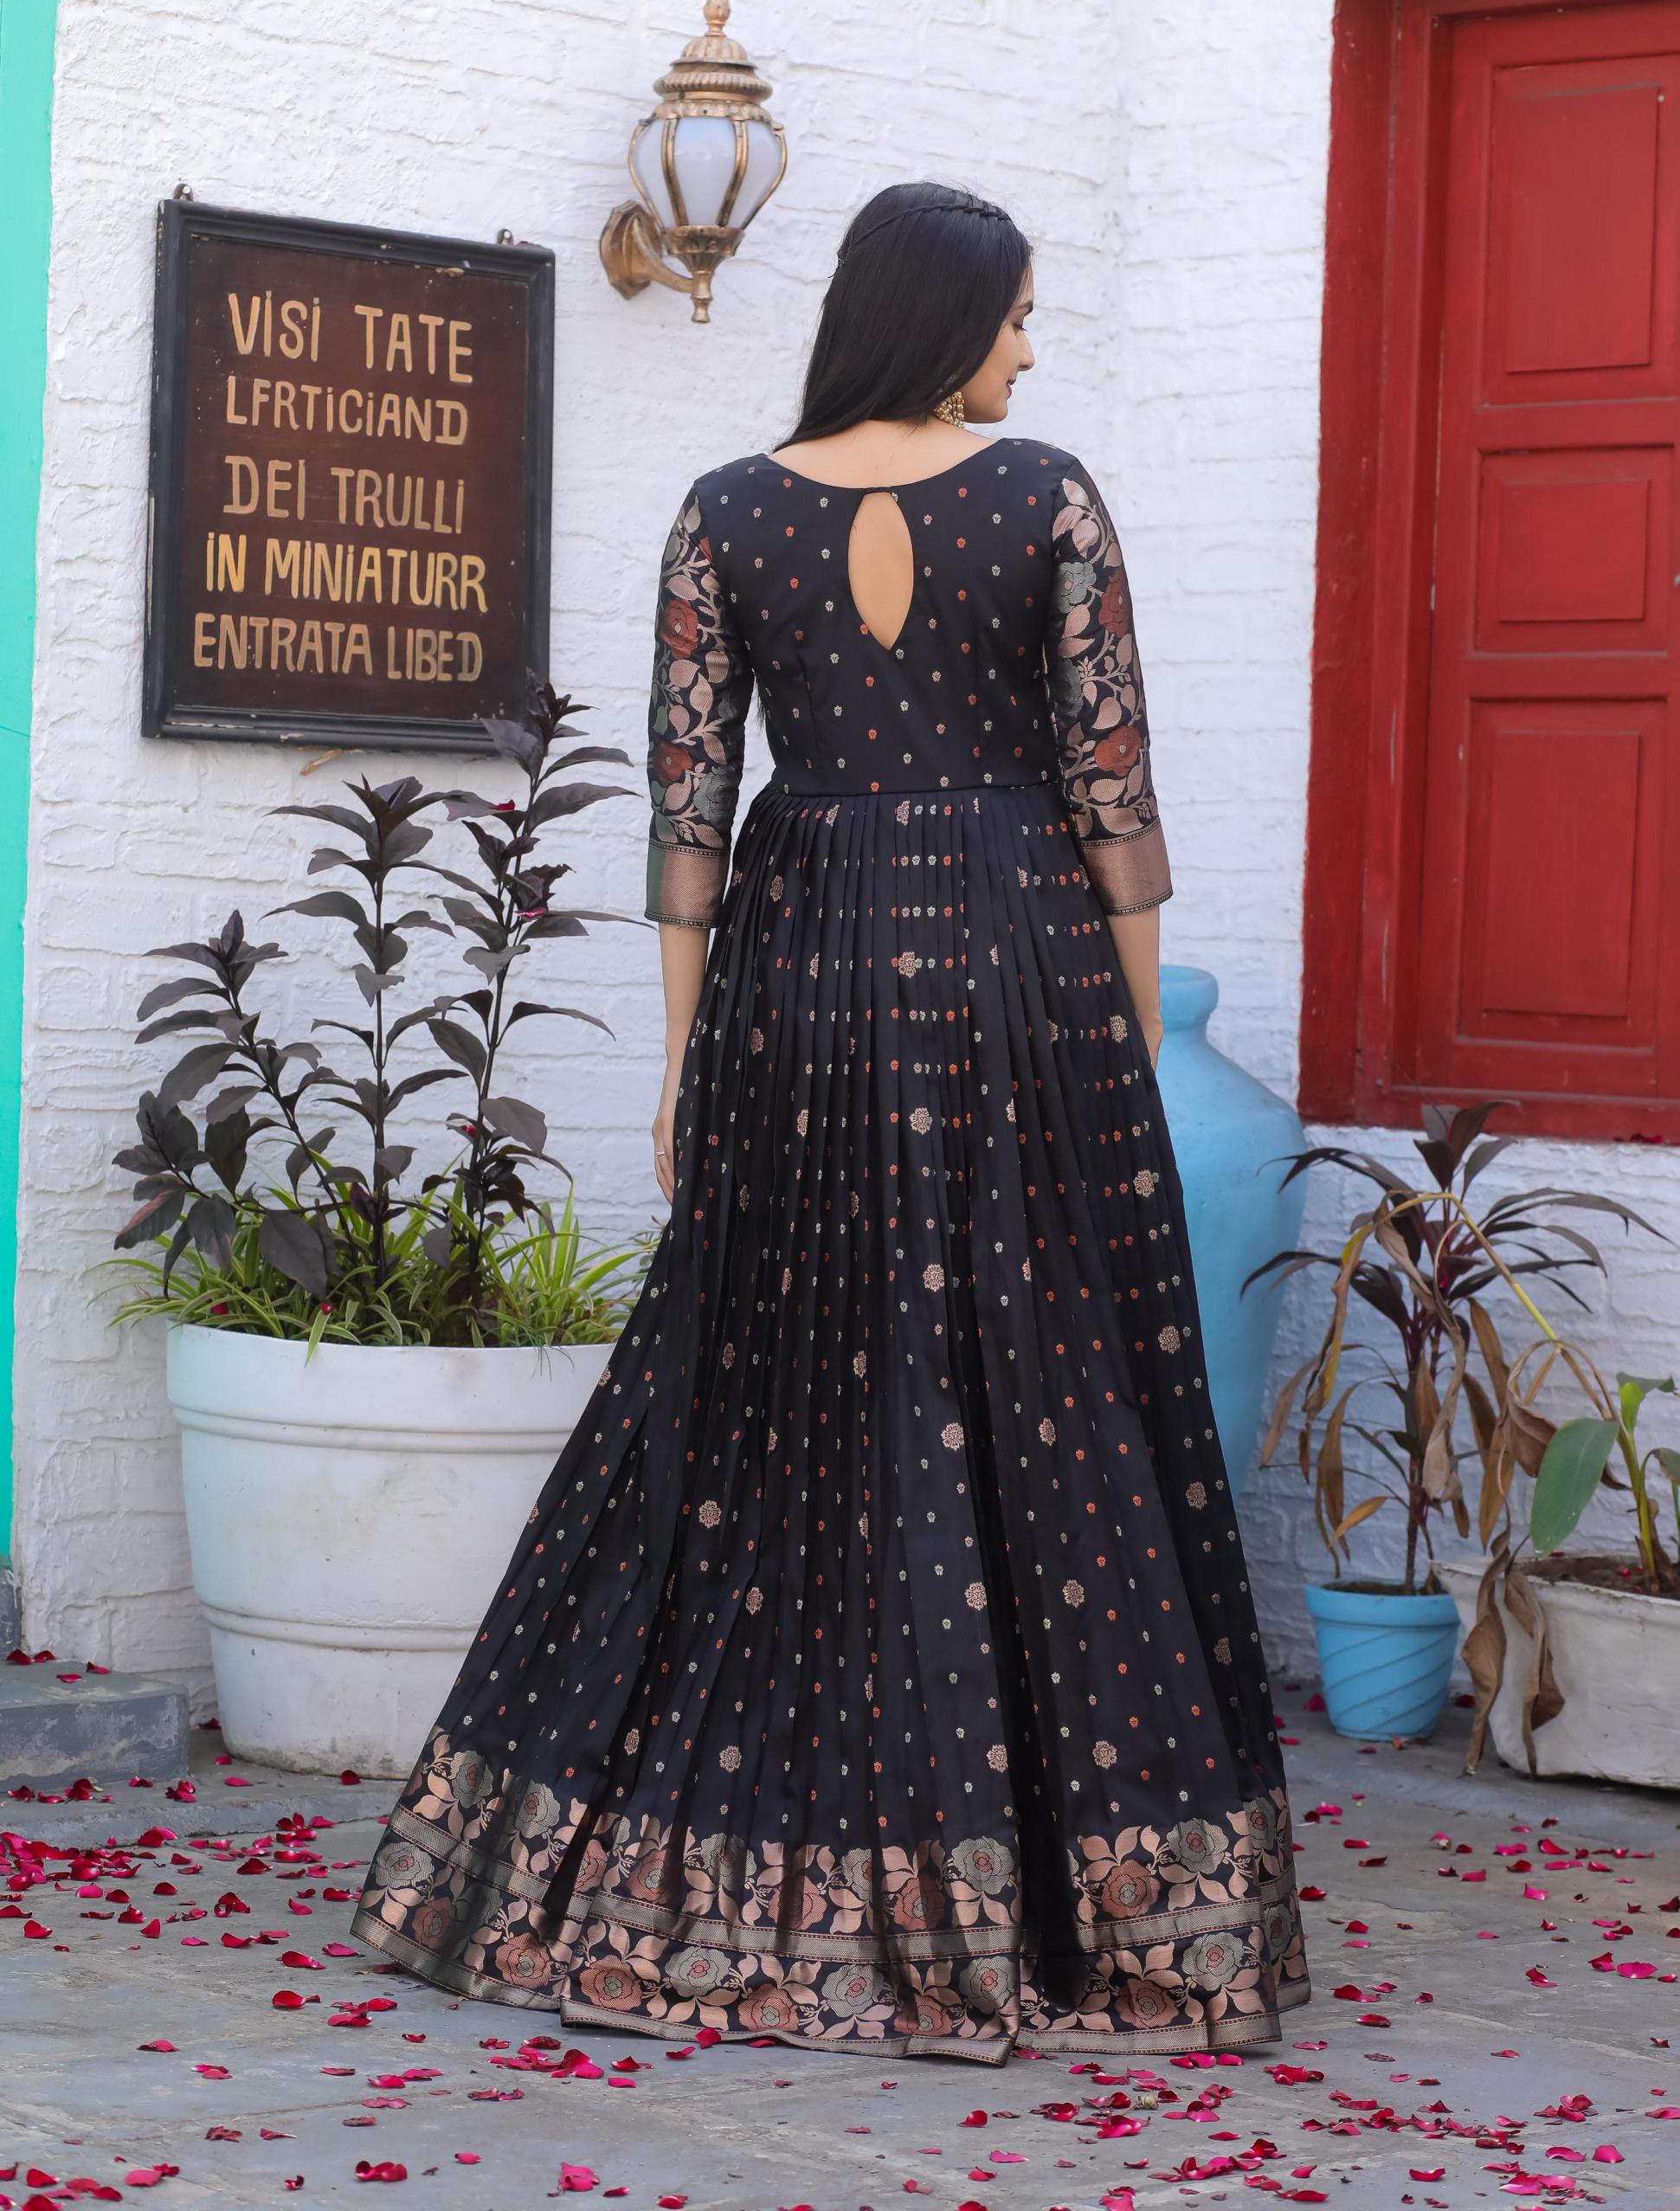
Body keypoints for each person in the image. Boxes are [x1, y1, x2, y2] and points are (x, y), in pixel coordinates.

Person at [354, 181, 1310, 2062]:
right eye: (1015, 313)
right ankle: (1075, 1900)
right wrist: (1125, 1035)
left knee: (772, 1383)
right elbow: (1111, 788)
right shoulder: (1043, 496)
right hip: (1015, 964)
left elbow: (688, 815)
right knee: (1048, 1382)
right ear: (945, 321)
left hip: (796, 967)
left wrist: (676, 1060)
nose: (1028, 347)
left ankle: (714, 1871)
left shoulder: (727, 509)